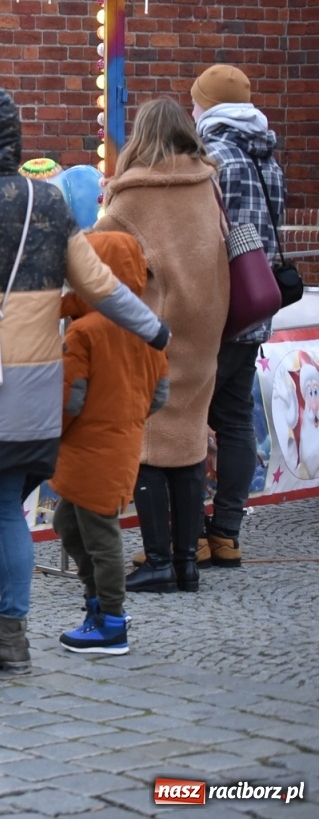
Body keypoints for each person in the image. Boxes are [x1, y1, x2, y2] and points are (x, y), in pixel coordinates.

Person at [0, 84, 167, 685]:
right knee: (9, 512)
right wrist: (154, 330)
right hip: (39, 386)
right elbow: (99, 285)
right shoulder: (50, 202)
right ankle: (12, 640)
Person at [93, 97, 229, 594]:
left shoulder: (134, 195)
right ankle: (187, 561)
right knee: (190, 440)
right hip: (206, 327)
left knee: (148, 447)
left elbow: (96, 257)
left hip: (156, 330)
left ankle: (157, 561)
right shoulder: (205, 184)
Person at [52, 231, 170, 655]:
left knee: (98, 535)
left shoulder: (84, 331)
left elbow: (69, 399)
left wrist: (52, 434)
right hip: (118, 444)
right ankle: (99, 603)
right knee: (68, 522)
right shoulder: (145, 328)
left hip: (89, 449)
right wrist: (127, 419)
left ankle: (112, 620)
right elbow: (160, 394)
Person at [192, 64, 286, 568]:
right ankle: (226, 529)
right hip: (256, 306)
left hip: (216, 309)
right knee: (234, 419)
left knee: (185, 416)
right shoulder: (267, 157)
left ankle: (189, 536)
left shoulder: (213, 157)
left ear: (206, 105)